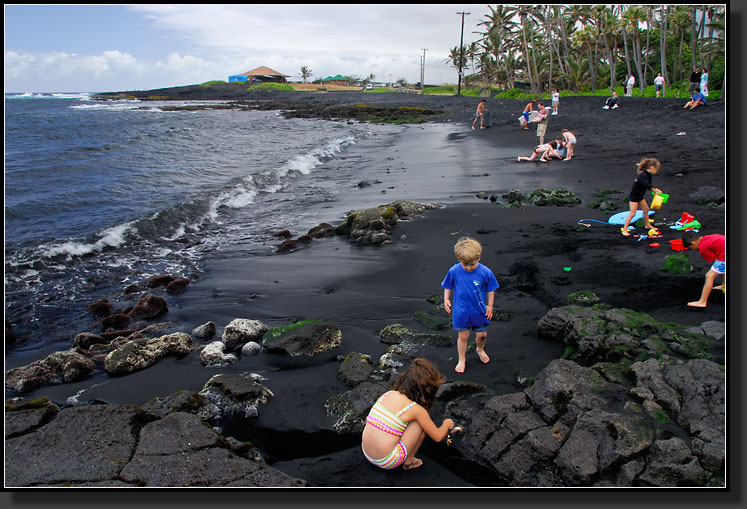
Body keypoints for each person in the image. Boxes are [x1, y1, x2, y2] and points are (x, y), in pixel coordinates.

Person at [361, 358, 455, 471]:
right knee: (420, 424)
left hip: (366, 452)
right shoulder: (416, 409)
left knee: (395, 424)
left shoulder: (387, 394)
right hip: (387, 460)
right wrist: (447, 424)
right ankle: (409, 461)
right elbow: (438, 436)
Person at [441, 237, 499, 373]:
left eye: (471, 265)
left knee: (482, 334)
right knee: (463, 336)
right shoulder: (454, 270)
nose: (467, 268)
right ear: (459, 260)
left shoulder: (485, 272)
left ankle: (480, 349)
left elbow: (491, 290)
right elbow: (447, 285)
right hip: (461, 311)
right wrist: (446, 299)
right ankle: (462, 359)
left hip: (478, 310)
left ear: (478, 258)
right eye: (464, 264)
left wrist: (490, 306)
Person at [682, 232, 726, 308]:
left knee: (709, 276)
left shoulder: (703, 247)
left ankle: (702, 301)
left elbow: (717, 260)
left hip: (724, 255)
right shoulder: (707, 237)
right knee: (721, 268)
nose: (692, 249)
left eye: (690, 247)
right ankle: (724, 285)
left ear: (693, 243)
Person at [621, 158, 663, 237]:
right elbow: (647, 184)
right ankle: (624, 230)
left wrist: (655, 191)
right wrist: (655, 189)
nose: (657, 171)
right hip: (634, 197)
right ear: (652, 167)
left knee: (646, 209)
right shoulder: (642, 176)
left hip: (640, 196)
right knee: (632, 213)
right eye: (656, 169)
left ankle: (647, 225)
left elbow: (649, 184)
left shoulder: (648, 175)